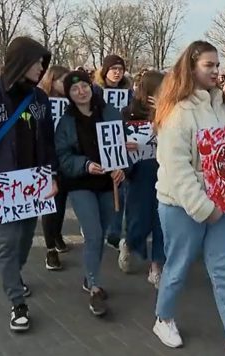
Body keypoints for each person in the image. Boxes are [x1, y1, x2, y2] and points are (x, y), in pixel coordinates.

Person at [152, 40, 225, 356]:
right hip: (183, 208)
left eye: (218, 65)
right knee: (177, 267)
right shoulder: (177, 113)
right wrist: (204, 208)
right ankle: (163, 318)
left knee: (224, 272)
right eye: (209, 65)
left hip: (224, 205)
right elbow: (176, 169)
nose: (216, 71)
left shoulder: (222, 107)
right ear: (191, 68)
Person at [0, 36, 58, 332]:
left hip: (34, 184)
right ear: (21, 62)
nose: (42, 67)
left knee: (26, 238)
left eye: (44, 63)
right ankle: (17, 302)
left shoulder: (40, 98)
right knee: (7, 243)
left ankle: (13, 276)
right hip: (1, 184)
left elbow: (48, 141)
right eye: (37, 62)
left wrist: (52, 175)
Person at [55, 70, 125, 317]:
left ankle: (89, 276)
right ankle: (95, 287)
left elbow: (121, 145)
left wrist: (121, 168)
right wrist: (84, 164)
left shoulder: (110, 112)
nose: (80, 91)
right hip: (80, 183)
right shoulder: (66, 122)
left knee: (103, 232)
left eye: (84, 86)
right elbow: (62, 156)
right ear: (69, 95)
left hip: (107, 184)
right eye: (74, 89)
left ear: (91, 87)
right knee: (93, 234)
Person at [120, 70, 166, 286]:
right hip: (140, 173)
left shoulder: (170, 112)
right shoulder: (128, 113)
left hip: (165, 172)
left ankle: (156, 265)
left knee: (162, 221)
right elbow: (114, 140)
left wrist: (162, 113)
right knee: (139, 219)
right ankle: (130, 243)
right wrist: (124, 147)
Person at [94, 54, 130, 250]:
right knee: (101, 190)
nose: (117, 72)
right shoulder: (95, 92)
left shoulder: (128, 93)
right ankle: (95, 225)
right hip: (99, 144)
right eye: (113, 68)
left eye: (120, 69)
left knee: (120, 189)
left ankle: (114, 234)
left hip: (121, 145)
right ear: (105, 71)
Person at [38, 65, 71, 271]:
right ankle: (50, 249)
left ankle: (57, 235)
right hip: (47, 159)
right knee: (50, 205)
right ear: (53, 80)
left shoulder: (70, 102)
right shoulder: (41, 101)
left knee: (61, 202)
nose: (66, 86)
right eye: (63, 81)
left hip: (66, 158)